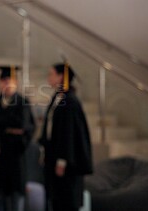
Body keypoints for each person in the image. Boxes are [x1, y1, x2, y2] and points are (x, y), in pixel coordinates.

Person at [39, 63, 93, 211]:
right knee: (55, 199)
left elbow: (68, 133)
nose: (48, 78)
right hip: (53, 156)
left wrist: (62, 161)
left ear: (61, 76)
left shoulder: (69, 101)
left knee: (66, 200)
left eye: (51, 74)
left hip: (66, 161)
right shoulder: (58, 97)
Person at [0, 66, 36, 211]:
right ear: (0, 83)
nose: (6, 84)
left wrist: (5, 126)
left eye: (10, 80)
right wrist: (9, 128)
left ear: (15, 82)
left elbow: (24, 125)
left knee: (15, 196)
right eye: (3, 81)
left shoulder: (22, 102)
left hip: (17, 154)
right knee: (0, 195)